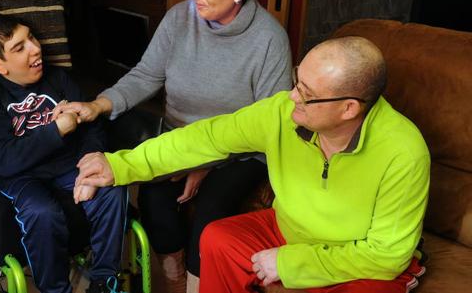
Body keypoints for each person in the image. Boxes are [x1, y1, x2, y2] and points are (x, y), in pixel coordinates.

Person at [74, 36, 430, 293]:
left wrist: (291, 264)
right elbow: (204, 139)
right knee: (217, 238)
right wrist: (121, 165)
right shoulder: (282, 114)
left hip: (357, 257)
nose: (292, 96)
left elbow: (387, 256)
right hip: (291, 229)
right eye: (296, 80)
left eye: (306, 93)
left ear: (349, 108)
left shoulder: (403, 151)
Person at [61, 0, 292, 292]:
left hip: (240, 152)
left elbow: (268, 126)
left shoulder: (269, 40)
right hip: (178, 137)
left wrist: (204, 163)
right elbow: (146, 76)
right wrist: (99, 105)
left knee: (210, 217)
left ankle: (198, 284)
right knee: (154, 197)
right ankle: (174, 277)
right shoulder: (179, 19)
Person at [0, 13, 126, 293]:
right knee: (42, 212)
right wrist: (56, 130)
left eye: (32, 38)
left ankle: (104, 281)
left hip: (68, 164)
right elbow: (4, 160)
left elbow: (93, 129)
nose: (35, 48)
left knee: (111, 189)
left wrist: (90, 164)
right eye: (19, 47)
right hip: (20, 176)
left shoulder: (58, 78)